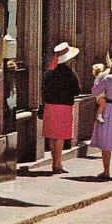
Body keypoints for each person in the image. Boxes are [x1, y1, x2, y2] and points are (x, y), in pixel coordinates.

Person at [41, 41, 80, 174]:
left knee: (52, 136)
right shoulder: (70, 73)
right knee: (60, 137)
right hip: (64, 106)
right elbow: (77, 90)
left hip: (50, 105)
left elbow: (44, 88)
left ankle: (54, 162)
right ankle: (58, 163)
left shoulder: (49, 72)